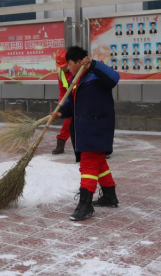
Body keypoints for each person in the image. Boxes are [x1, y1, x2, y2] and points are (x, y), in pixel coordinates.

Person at [51, 46, 120, 221]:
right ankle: (110, 196)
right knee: (98, 163)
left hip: (97, 127)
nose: (67, 67)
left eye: (69, 63)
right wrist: (60, 113)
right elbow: (72, 103)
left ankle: (85, 204)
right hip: (85, 128)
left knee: (88, 165)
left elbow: (114, 78)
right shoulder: (77, 79)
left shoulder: (96, 75)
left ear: (78, 62)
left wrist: (94, 64)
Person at [52, 49, 76, 159]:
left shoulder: (77, 69)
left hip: (83, 99)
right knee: (67, 122)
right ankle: (60, 143)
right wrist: (60, 106)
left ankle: (103, 149)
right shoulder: (61, 73)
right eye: (59, 66)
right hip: (70, 100)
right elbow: (62, 91)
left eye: (64, 65)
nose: (61, 67)